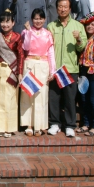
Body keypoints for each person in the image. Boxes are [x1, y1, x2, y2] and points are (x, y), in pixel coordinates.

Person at [47, 0, 86, 137]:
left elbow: (82, 47)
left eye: (65, 7)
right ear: (56, 8)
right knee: (54, 98)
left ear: (70, 9)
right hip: (55, 69)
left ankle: (70, 125)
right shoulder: (51, 26)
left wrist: (79, 39)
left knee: (70, 99)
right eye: (60, 6)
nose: (62, 9)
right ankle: (54, 123)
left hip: (70, 69)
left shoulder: (78, 26)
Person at [0, 10, 25, 138]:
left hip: (11, 70)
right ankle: (0, 126)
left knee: (10, 100)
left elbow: (21, 55)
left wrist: (20, 72)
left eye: (7, 22)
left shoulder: (17, 36)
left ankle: (9, 127)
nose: (5, 24)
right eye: (3, 22)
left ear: (13, 23)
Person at [20, 8, 55, 136]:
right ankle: (28, 124)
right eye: (36, 18)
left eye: (40, 18)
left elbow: (51, 53)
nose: (38, 21)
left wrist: (53, 71)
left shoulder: (47, 34)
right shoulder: (26, 31)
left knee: (41, 96)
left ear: (44, 19)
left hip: (43, 65)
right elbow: (26, 47)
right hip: (29, 63)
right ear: (32, 19)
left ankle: (39, 125)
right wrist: (29, 31)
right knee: (28, 94)